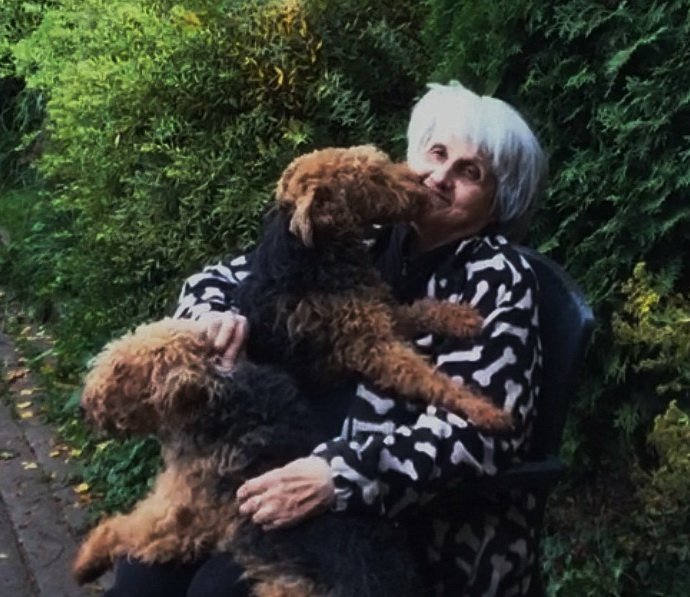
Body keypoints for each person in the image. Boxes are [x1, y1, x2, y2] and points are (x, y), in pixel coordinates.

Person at [105, 81, 547, 597]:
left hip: (399, 518)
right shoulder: (360, 234)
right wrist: (213, 316)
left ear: (499, 203)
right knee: (142, 574)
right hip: (271, 463)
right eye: (437, 153)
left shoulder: (498, 278)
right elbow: (220, 278)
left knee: (220, 590)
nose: (441, 177)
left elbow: (484, 434)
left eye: (470, 173)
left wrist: (338, 475)